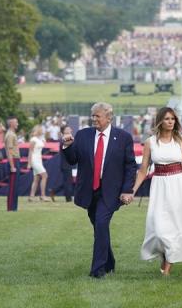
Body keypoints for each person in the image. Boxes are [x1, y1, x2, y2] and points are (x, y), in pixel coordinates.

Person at [61, 102, 136, 278]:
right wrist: (67, 146)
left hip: (111, 192)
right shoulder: (83, 135)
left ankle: (98, 270)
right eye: (92, 115)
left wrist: (127, 190)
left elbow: (130, 166)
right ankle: (109, 262)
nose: (94, 119)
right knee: (99, 227)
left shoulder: (123, 137)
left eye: (98, 116)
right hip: (89, 191)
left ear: (109, 117)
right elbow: (73, 160)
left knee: (101, 224)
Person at [132, 107, 182, 275]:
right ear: (160, 121)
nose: (170, 122)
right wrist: (132, 191)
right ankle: (165, 255)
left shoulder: (181, 140)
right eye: (167, 118)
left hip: (179, 185)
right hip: (159, 186)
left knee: (176, 228)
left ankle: (167, 269)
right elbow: (143, 170)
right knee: (159, 230)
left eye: (173, 119)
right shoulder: (150, 142)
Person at [50, 125, 75, 202]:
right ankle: (68, 198)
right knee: (68, 182)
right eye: (67, 129)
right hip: (65, 163)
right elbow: (67, 144)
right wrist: (74, 140)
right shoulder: (64, 139)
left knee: (67, 181)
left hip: (69, 163)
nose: (70, 129)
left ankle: (54, 191)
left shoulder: (70, 138)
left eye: (69, 128)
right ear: (64, 131)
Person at [27, 125, 50, 202]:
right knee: (45, 176)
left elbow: (45, 139)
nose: (41, 130)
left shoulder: (40, 139)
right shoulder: (33, 139)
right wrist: (29, 163)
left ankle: (31, 196)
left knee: (36, 178)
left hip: (39, 160)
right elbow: (30, 151)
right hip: (34, 159)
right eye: (40, 129)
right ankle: (43, 195)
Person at [5, 117, 21, 211]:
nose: (17, 124)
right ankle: (11, 207)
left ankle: (14, 207)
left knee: (15, 186)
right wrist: (12, 166)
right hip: (13, 160)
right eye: (16, 122)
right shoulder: (10, 135)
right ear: (11, 124)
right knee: (12, 186)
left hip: (15, 160)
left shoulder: (12, 134)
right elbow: (9, 151)